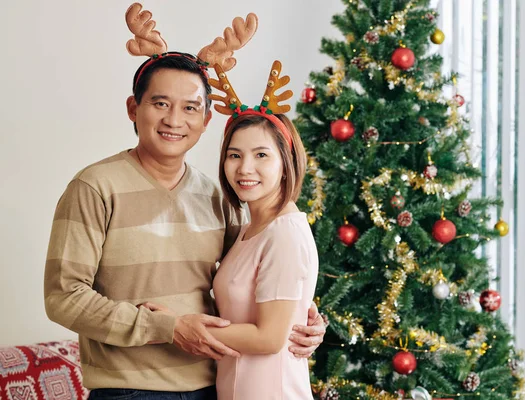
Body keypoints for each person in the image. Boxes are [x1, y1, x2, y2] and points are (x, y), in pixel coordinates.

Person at [43, 5, 325, 400]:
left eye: (190, 107)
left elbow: (248, 282)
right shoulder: (94, 188)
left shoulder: (218, 196)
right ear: (133, 109)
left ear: (206, 121)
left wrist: (305, 320)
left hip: (214, 385)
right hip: (130, 392)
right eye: (160, 103)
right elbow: (64, 298)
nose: (175, 120)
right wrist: (166, 328)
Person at [144, 58, 318, 399]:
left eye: (261, 155)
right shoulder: (249, 229)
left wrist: (179, 326)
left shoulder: (284, 232)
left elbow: (269, 338)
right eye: (234, 155)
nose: (245, 168)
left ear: (286, 164)